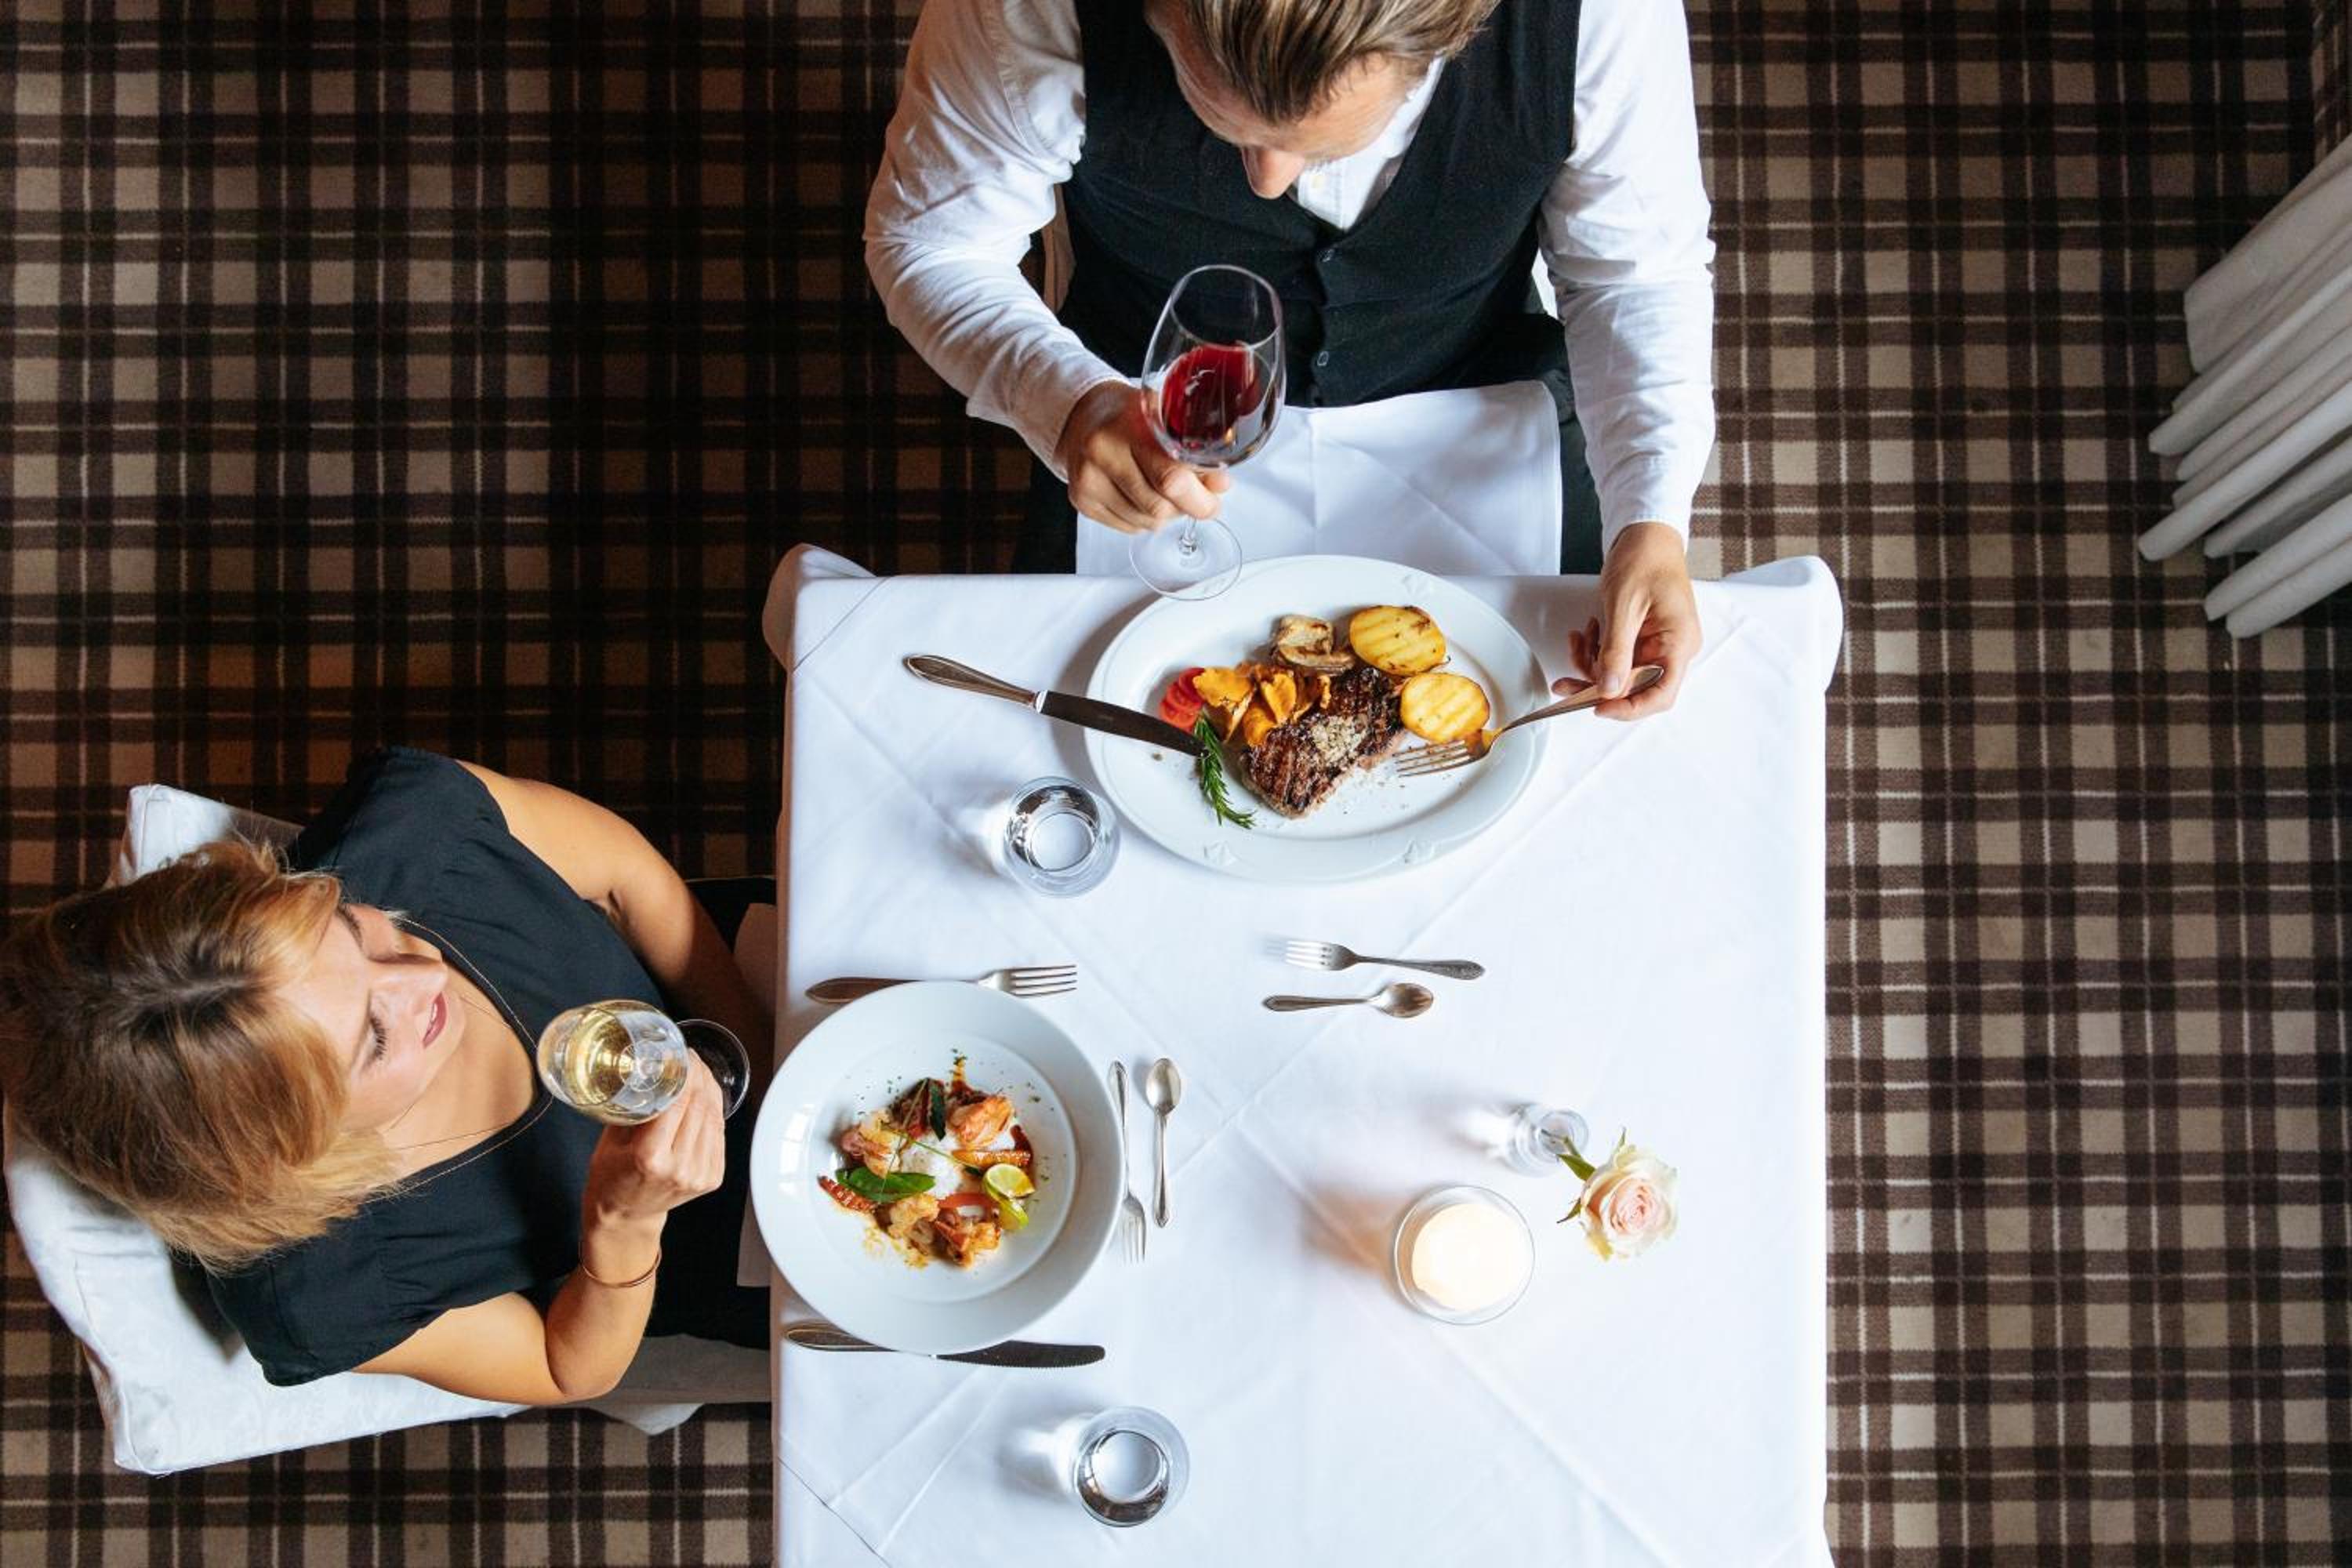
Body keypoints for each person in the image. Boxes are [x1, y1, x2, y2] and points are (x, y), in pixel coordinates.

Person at [866, 0, 1712, 719]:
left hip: (1480, 394)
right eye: (1225, 121)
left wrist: (1651, 515)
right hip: (1138, 400)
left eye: (1322, 143)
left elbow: (1632, 278)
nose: (1268, 182)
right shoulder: (1024, 9)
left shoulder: (1601, 15)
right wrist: (1066, 403)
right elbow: (933, 244)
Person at [0, 748, 774, 1402]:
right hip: (725, 1248)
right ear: (297, 1155)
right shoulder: (323, 1288)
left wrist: (760, 1047)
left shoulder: (410, 828)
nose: (423, 974)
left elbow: (622, 874)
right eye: (374, 1038)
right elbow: (563, 1367)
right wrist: (622, 1222)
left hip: (730, 979)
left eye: (353, 928)